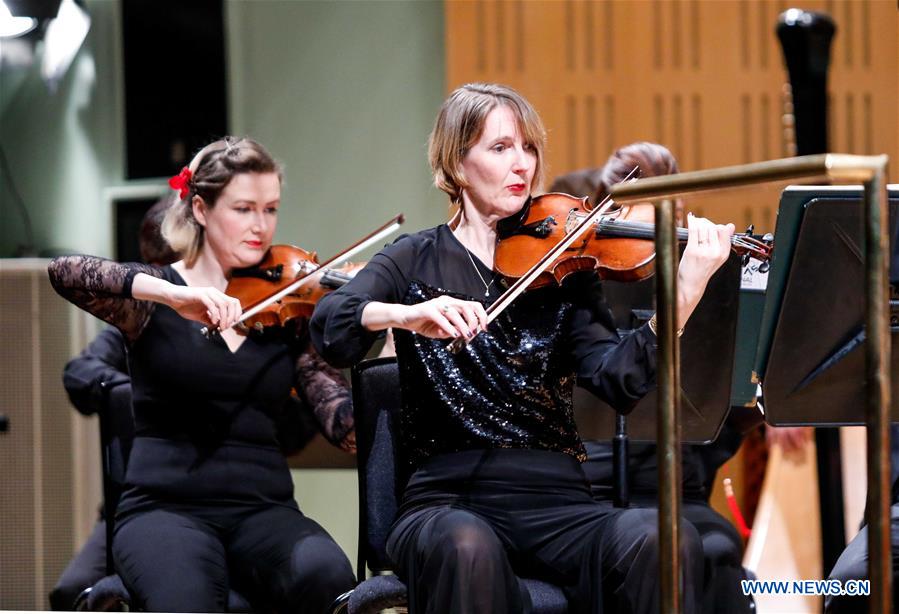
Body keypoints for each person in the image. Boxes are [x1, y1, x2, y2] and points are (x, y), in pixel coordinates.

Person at [311, 83, 734, 613]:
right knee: (467, 546)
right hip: (447, 500)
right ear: (457, 164)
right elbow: (331, 326)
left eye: (529, 148)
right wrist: (406, 314)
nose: (523, 164)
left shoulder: (563, 267)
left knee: (663, 540)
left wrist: (683, 294)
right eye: (500, 147)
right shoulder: (413, 259)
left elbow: (618, 379)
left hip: (559, 502)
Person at [48, 137, 356, 613]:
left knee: (328, 576)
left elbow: (343, 427)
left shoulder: (288, 309)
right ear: (201, 209)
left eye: (270, 209)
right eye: (244, 209)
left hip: (264, 509)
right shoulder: (154, 301)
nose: (260, 226)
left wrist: (389, 335)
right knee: (189, 598)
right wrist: (173, 296)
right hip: (164, 510)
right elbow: (64, 271)